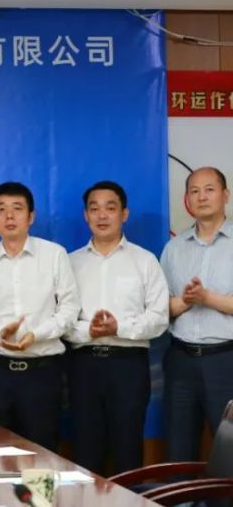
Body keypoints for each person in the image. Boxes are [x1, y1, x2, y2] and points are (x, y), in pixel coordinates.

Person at [0, 181, 80, 450]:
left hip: (42, 372)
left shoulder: (54, 255)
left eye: (17, 208)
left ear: (31, 216)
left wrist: (35, 335)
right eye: (1, 209)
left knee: (42, 452)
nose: (9, 216)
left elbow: (69, 309)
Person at [66, 181, 168, 475]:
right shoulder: (70, 262)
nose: (102, 215)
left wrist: (118, 327)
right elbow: (62, 318)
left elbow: (159, 317)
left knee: (128, 449)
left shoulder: (145, 261)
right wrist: (89, 331)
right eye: (94, 208)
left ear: (124, 214)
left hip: (128, 366)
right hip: (83, 365)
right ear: (86, 215)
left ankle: (131, 505)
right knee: (85, 451)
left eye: (110, 208)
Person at [160, 166, 233, 461]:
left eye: (209, 189)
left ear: (225, 195)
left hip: (225, 360)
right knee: (178, 450)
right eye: (194, 191)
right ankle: (180, 496)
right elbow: (161, 306)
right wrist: (188, 300)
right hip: (181, 361)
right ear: (187, 199)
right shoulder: (174, 248)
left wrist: (207, 298)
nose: (202, 197)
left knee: (229, 452)